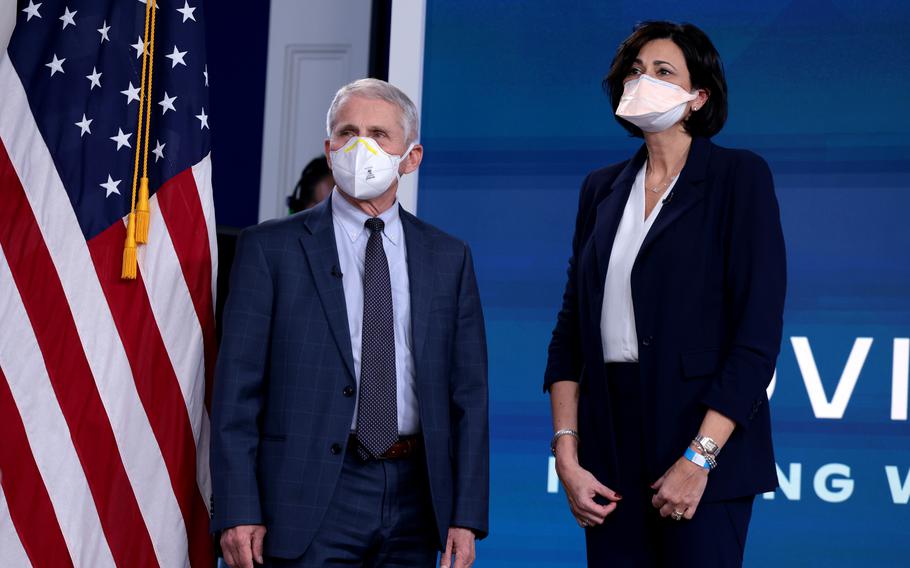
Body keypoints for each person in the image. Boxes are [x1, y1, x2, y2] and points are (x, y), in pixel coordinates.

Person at [211, 78, 489, 568]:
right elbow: (235, 393)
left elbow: (468, 396)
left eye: (380, 135)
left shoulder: (449, 257)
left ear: (411, 157)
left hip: (417, 498)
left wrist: (465, 515)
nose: (361, 146)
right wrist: (236, 507)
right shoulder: (269, 249)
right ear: (328, 147)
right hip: (306, 497)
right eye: (347, 132)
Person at [544, 21, 786, 567]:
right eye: (634, 70)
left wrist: (699, 459)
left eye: (662, 71)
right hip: (608, 449)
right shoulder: (600, 188)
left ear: (698, 96)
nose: (642, 80)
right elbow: (570, 332)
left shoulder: (738, 177)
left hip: (703, 440)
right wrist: (567, 452)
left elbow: (756, 337)